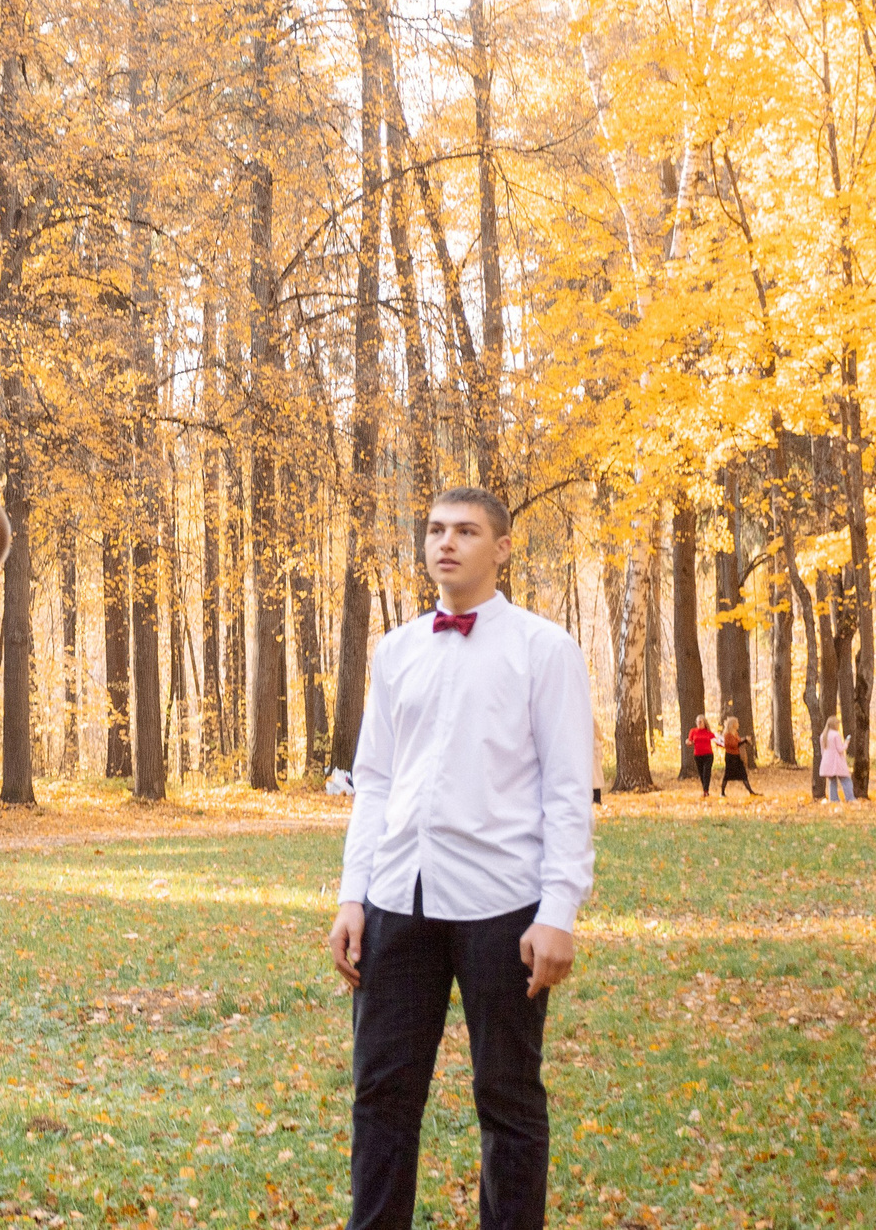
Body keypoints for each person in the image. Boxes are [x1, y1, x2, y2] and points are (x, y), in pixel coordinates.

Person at [328, 487, 594, 1230]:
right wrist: (354, 895)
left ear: (502, 547)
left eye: (467, 530)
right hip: (397, 901)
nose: (446, 542)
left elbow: (570, 793)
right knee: (381, 1096)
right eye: (437, 529)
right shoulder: (398, 649)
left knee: (507, 1101)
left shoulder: (546, 650)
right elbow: (374, 781)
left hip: (502, 908)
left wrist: (558, 912)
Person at [717, 716, 758, 798]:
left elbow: (738, 742)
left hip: (737, 756)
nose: (738, 724)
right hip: (730, 757)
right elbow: (733, 745)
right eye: (737, 723)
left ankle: (751, 791)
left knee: (743, 773)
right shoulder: (727, 735)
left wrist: (745, 741)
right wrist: (744, 740)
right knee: (727, 774)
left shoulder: (735, 733)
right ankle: (722, 792)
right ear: (733, 724)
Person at [819, 719, 854, 803]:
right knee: (846, 780)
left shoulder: (823, 735)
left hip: (827, 761)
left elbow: (822, 750)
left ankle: (833, 799)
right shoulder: (836, 735)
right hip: (836, 761)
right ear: (834, 725)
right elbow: (840, 749)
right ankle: (850, 798)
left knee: (832, 781)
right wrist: (846, 743)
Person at [685, 715, 715, 797]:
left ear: (704, 723)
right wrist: (688, 742)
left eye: (700, 722)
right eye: (697, 722)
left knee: (706, 772)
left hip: (708, 755)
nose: (699, 723)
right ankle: (704, 789)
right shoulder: (693, 731)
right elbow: (690, 740)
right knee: (701, 773)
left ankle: (706, 791)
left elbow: (716, 740)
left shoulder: (708, 732)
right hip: (698, 755)